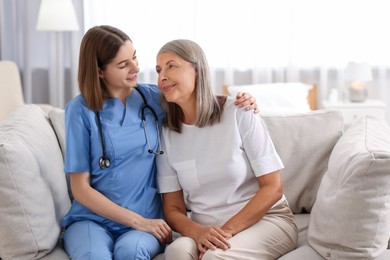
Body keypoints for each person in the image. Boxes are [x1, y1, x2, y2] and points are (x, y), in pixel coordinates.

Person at [60, 25, 259, 260]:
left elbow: (196, 98)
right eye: (123, 65)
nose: (136, 68)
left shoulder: (153, 98)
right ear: (100, 71)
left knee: (131, 254)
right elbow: (80, 189)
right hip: (93, 219)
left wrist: (243, 100)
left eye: (134, 57)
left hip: (148, 219)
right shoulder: (79, 111)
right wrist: (137, 221)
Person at [155, 39, 298, 260]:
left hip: (266, 221)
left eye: (171, 66)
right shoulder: (166, 132)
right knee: (176, 253)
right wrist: (198, 232)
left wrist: (225, 233)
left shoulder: (239, 112)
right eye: (158, 70)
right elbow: (173, 208)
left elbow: (273, 187)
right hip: (205, 228)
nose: (162, 76)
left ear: (198, 70)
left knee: (214, 256)